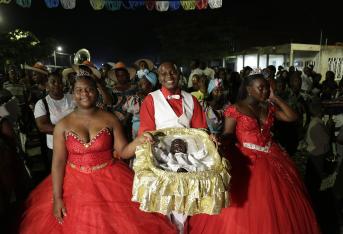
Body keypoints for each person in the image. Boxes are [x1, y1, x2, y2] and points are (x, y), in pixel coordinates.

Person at [19, 71, 177, 233]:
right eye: (79, 90)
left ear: (96, 91)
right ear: (73, 93)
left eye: (89, 89)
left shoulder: (110, 119)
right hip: (73, 186)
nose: (84, 94)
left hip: (111, 181)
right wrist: (57, 198)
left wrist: (139, 141)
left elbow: (123, 152)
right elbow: (58, 163)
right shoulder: (63, 125)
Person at [189, 74, 320, 234]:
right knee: (251, 203)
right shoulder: (235, 108)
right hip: (247, 159)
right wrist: (220, 139)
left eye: (267, 87)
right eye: (261, 87)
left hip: (273, 156)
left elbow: (292, 117)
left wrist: (275, 97)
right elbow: (229, 133)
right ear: (249, 89)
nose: (265, 91)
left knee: (278, 203)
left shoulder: (268, 107)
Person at [138, 61, 208, 233]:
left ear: (180, 74)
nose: (169, 76)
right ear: (158, 77)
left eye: (172, 72)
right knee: (165, 202)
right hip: (161, 158)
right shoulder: (151, 99)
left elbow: (200, 131)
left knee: (186, 201)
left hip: (189, 157)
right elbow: (146, 131)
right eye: (163, 73)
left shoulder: (192, 99)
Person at [34, 72, 75, 169]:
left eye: (60, 82)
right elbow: (42, 126)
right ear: (47, 85)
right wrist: (70, 131)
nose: (57, 84)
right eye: (53, 82)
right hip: (56, 149)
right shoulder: (42, 103)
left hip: (75, 145)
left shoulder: (72, 98)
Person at [122, 71, 158, 139]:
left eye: (143, 83)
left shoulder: (155, 100)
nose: (139, 85)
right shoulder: (134, 98)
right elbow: (127, 113)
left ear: (151, 86)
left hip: (151, 130)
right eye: (139, 83)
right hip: (136, 130)